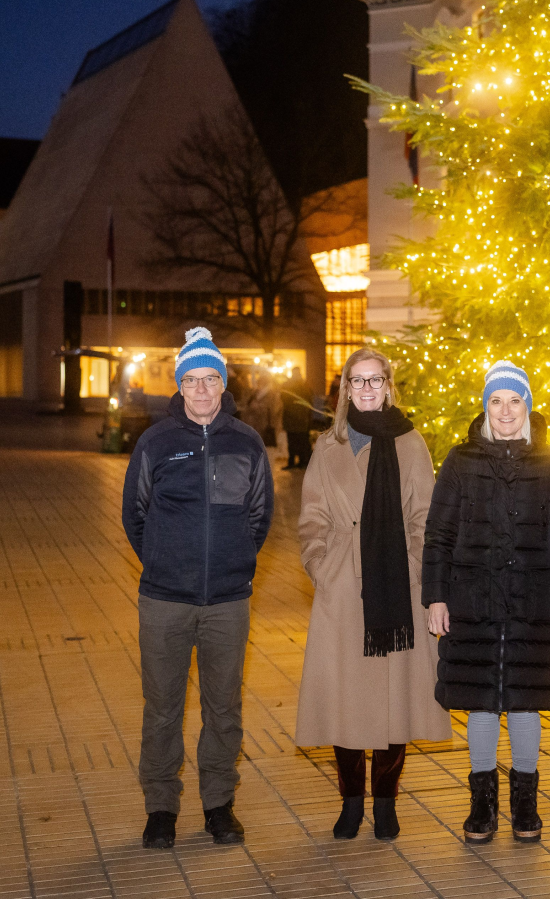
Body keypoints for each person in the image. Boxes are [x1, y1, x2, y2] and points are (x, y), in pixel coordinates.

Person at [122, 327, 274, 850]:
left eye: (212, 379)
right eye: (193, 379)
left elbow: (260, 517)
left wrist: (232, 565)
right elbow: (134, 516)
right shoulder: (155, 443)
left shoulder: (247, 442)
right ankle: (160, 807)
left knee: (223, 707)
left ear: (223, 384)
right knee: (162, 706)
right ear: (179, 385)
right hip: (164, 600)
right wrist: (167, 562)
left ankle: (218, 805)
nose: (203, 389)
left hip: (227, 603)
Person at [423, 361, 550, 844]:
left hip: (534, 603)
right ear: (485, 407)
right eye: (496, 401)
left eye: (515, 400)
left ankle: (525, 802)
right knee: (479, 704)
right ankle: (481, 805)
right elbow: (438, 536)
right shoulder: (459, 461)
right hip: (471, 603)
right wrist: (435, 596)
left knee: (524, 702)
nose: (506, 410)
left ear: (528, 407)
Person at [295, 349, 452, 840]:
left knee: (393, 704)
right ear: (345, 389)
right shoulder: (327, 446)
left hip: (395, 593)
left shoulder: (410, 443)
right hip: (342, 592)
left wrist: (412, 568)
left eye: (375, 380)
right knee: (344, 703)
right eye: (356, 381)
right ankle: (350, 802)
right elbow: (311, 518)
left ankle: (385, 801)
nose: (366, 389)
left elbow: (427, 518)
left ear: (388, 386)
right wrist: (322, 566)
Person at [282, 368, 314, 469]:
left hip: (296, 419)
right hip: (299, 420)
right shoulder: (304, 386)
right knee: (300, 441)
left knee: (295, 441)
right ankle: (300, 461)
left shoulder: (292, 386)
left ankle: (295, 461)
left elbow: (284, 399)